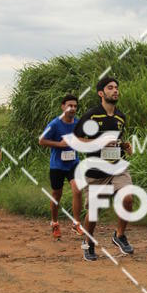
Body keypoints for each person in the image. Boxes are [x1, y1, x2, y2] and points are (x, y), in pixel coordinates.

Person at [73, 77, 134, 262]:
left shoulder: (120, 117)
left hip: (117, 167)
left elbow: (114, 142)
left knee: (128, 198)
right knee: (93, 213)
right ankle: (88, 241)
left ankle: (119, 235)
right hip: (96, 172)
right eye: (110, 88)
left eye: (117, 87)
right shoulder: (91, 116)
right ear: (101, 93)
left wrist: (124, 146)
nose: (115, 90)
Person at [38, 94, 83, 240]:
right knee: (57, 194)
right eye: (70, 105)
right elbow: (41, 140)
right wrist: (60, 144)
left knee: (77, 189)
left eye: (75, 106)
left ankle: (76, 223)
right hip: (57, 165)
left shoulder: (77, 123)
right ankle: (55, 222)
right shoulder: (54, 124)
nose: (73, 108)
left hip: (73, 163)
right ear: (63, 106)